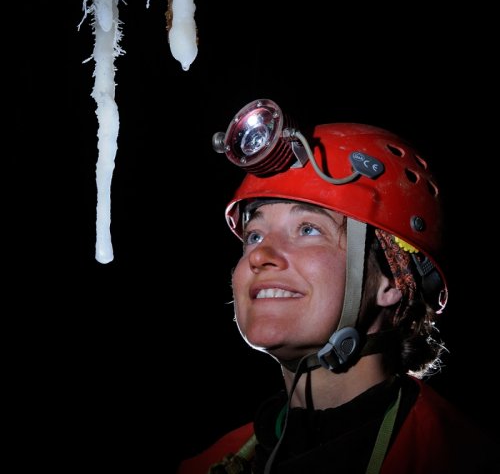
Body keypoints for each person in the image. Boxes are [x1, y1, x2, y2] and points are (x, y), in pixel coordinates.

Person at [178, 99, 497, 474]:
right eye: (254, 234)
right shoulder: (206, 466)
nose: (260, 256)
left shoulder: (457, 457)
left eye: (308, 229)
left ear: (394, 279)